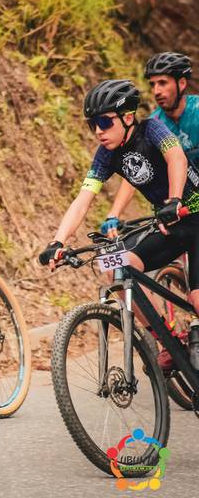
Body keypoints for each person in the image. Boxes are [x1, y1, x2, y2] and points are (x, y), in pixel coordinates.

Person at [39, 80, 199, 337]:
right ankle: (165, 340)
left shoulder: (151, 129)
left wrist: (174, 200)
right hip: (172, 225)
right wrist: (58, 241)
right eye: (92, 125)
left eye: (104, 122)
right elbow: (83, 199)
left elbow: (176, 157)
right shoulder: (106, 154)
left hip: (191, 214)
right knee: (116, 266)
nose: (98, 131)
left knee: (197, 299)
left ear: (127, 117)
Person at [100, 52, 197, 238]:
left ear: (182, 83)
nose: (156, 91)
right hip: (177, 205)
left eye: (162, 83)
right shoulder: (153, 125)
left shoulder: (197, 111)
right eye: (152, 84)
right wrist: (114, 214)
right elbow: (135, 171)